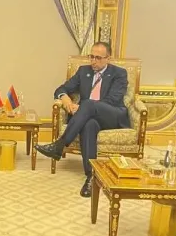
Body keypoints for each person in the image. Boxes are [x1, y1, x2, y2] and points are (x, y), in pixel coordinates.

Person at [36, 42, 130, 197]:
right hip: (89, 116)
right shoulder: (83, 71)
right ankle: (91, 177)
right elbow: (60, 89)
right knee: (89, 125)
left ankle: (60, 145)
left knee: (87, 104)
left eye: (98, 58)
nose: (93, 61)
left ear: (108, 58)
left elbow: (113, 100)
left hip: (112, 115)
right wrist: (67, 100)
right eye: (91, 56)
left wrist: (84, 108)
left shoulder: (119, 73)